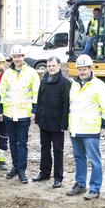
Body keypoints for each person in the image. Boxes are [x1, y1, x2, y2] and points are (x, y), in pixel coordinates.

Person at [66, 54, 105, 200]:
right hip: (75, 128)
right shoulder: (74, 85)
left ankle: (95, 188)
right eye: (80, 69)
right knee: (79, 158)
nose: (82, 72)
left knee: (94, 160)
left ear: (90, 68)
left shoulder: (99, 86)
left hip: (90, 130)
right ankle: (80, 184)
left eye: (85, 69)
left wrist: (103, 122)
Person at [0, 44, 40, 184]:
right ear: (12, 58)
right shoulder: (7, 73)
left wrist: (34, 110)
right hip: (9, 113)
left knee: (22, 142)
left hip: (24, 114)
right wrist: (0, 110)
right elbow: (1, 93)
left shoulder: (32, 73)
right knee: (12, 141)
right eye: (15, 56)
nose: (17, 59)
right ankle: (15, 167)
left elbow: (36, 93)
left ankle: (22, 169)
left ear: (24, 57)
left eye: (19, 56)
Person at [32, 56, 71, 188]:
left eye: (53, 66)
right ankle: (44, 173)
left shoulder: (65, 82)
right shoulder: (43, 81)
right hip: (44, 121)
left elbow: (66, 105)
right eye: (49, 66)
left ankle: (58, 177)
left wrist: (64, 124)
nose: (51, 68)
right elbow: (40, 100)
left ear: (59, 66)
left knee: (58, 150)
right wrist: (37, 117)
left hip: (57, 123)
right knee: (44, 148)